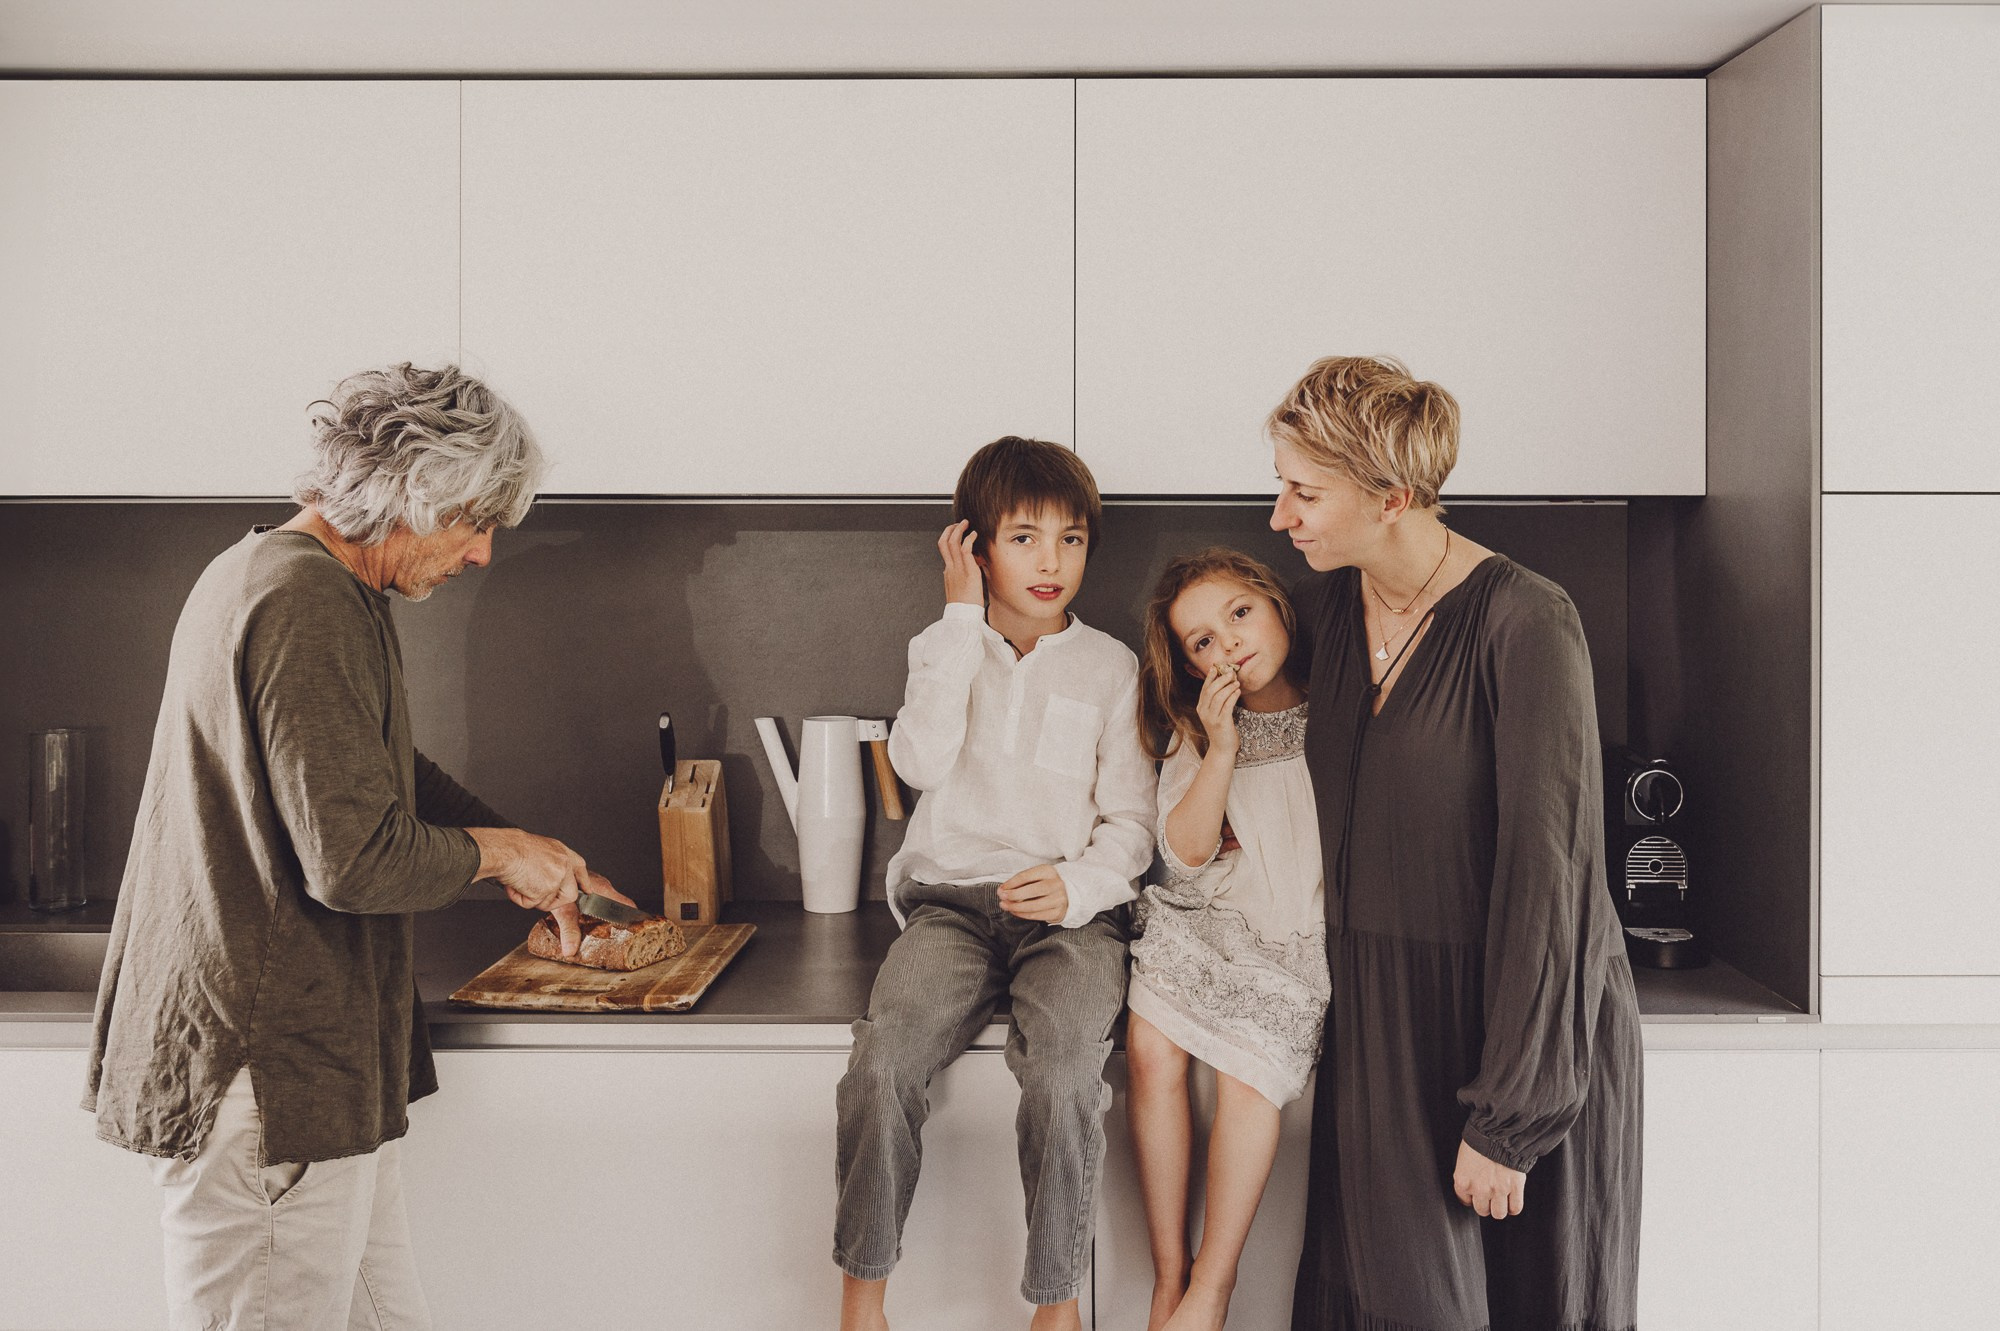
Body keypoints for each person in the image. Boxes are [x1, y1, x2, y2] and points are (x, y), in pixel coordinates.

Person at [82, 362, 636, 1331]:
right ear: (413, 492)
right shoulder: (305, 601)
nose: (480, 555)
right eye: (473, 521)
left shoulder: (286, 575)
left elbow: (370, 755)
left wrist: (523, 842)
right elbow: (354, 859)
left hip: (307, 1068)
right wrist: (498, 855)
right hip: (269, 1073)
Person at [1266, 355, 1642, 1331]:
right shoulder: (1327, 616)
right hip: (1378, 1027)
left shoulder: (1525, 621)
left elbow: (1549, 873)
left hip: (1507, 1027)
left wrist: (1508, 1118)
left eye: (1304, 491)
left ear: (1392, 496)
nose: (1279, 515)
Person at [833, 436, 1158, 1331]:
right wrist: (957, 620)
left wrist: (1077, 884)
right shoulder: (944, 648)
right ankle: (863, 1304)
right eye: (1023, 538)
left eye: (1072, 538)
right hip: (950, 908)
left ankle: (1056, 1309)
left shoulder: (1112, 668)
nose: (1052, 561)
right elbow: (917, 759)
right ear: (974, 547)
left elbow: (1132, 825)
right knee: (882, 1062)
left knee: (1062, 1078)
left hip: (1072, 919)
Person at [1125, 548, 1329, 1331]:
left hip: (1293, 930)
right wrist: (1221, 749)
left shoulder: (1333, 710)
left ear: (1275, 604)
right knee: (1150, 1047)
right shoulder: (1197, 727)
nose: (1229, 644)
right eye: (1202, 641)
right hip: (1209, 916)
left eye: (1238, 614)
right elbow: (1182, 859)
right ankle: (1167, 1277)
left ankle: (1213, 1285)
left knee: (1248, 1071)